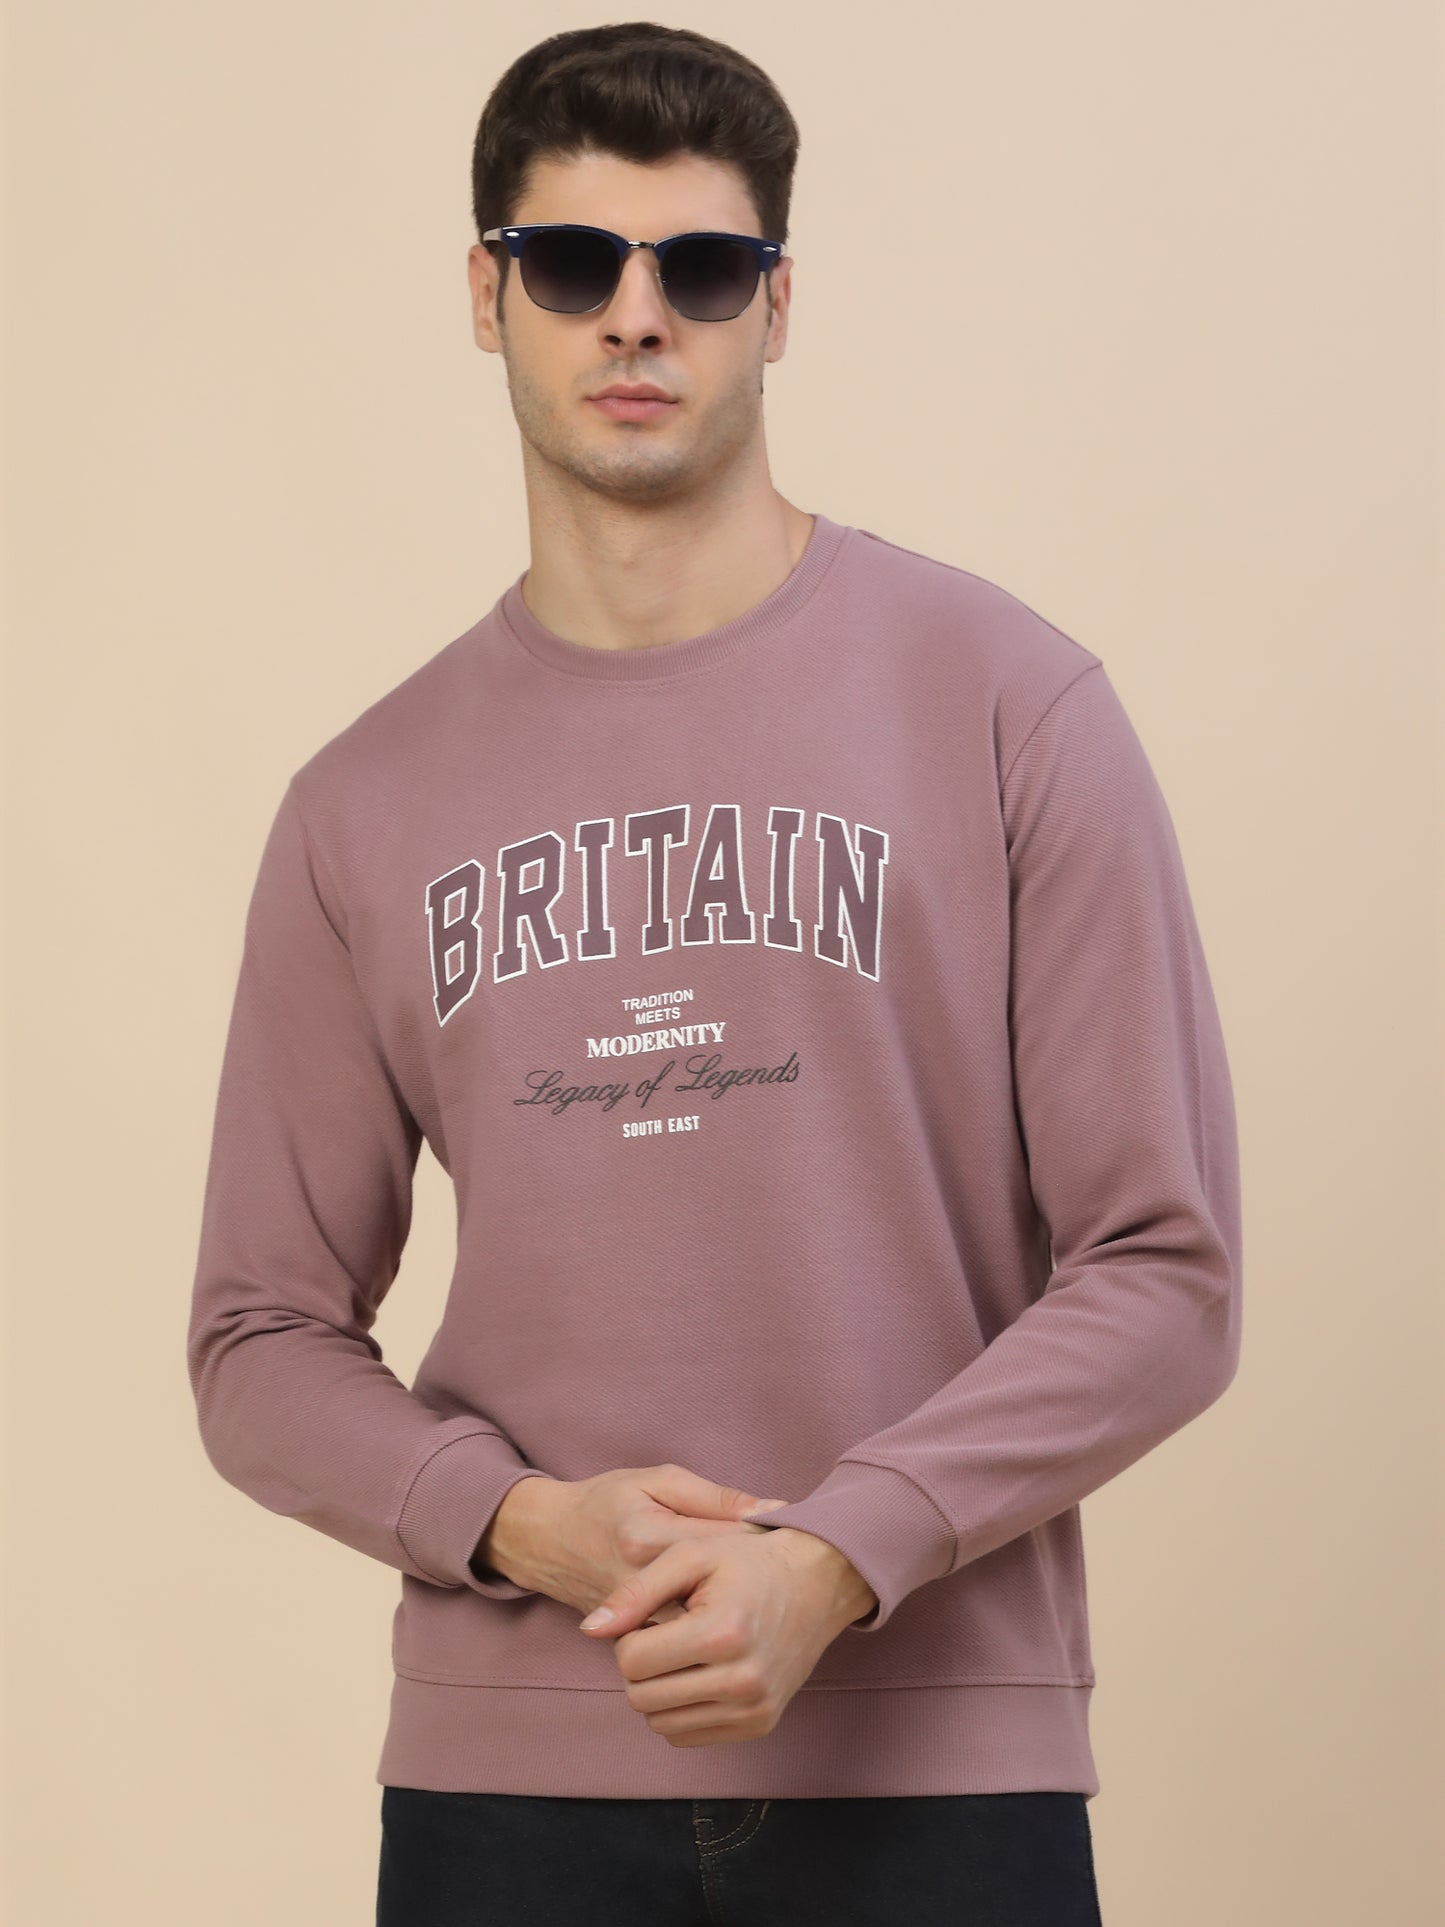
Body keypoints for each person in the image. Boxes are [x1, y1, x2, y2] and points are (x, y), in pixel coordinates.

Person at [186, 21, 1243, 1925]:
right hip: (506, 1791)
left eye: (700, 266)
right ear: (489, 297)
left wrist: (835, 1555)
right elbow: (257, 1342)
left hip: (933, 1769)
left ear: (776, 307)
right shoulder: (361, 802)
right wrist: (522, 1525)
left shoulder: (1008, 704)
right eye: (572, 264)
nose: (635, 315)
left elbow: (1165, 1274)